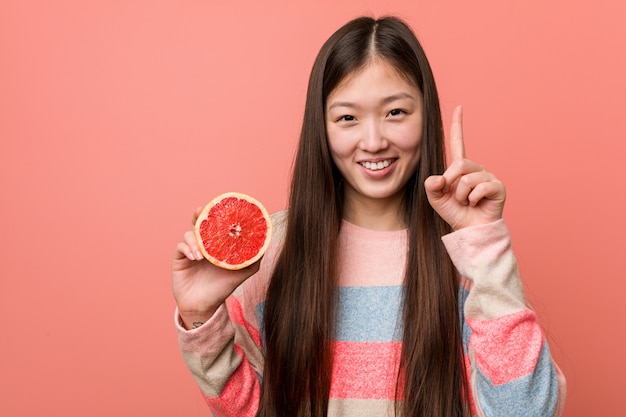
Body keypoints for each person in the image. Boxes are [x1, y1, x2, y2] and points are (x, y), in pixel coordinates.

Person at [171, 15, 566, 417]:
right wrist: (201, 318)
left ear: (425, 114)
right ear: (320, 128)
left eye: (395, 112)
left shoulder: (467, 250)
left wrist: (485, 242)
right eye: (347, 118)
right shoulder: (275, 249)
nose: (374, 142)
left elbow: (526, 410)